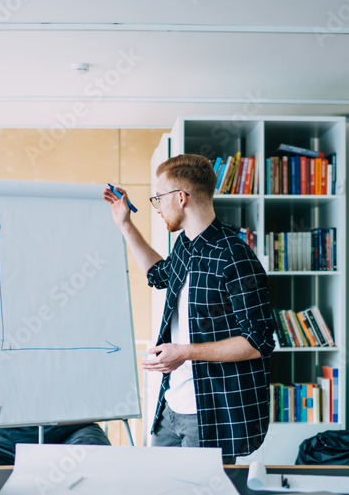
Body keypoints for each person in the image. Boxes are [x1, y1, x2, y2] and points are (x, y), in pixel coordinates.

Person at [103, 154, 274, 463]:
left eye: (158, 198)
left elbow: (257, 342)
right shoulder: (185, 244)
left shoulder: (235, 257)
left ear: (181, 197)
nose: (156, 207)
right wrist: (125, 224)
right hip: (171, 406)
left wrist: (184, 352)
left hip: (210, 414)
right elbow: (158, 275)